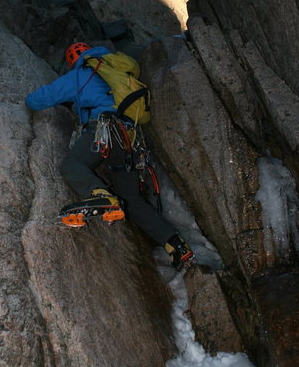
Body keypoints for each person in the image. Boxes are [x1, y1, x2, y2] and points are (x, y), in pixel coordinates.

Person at [25, 42, 194, 270]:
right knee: (131, 199)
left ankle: (100, 195)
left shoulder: (80, 74)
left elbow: (37, 100)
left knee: (73, 165)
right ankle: (176, 245)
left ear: (73, 60)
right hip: (131, 138)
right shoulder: (117, 68)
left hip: (104, 129)